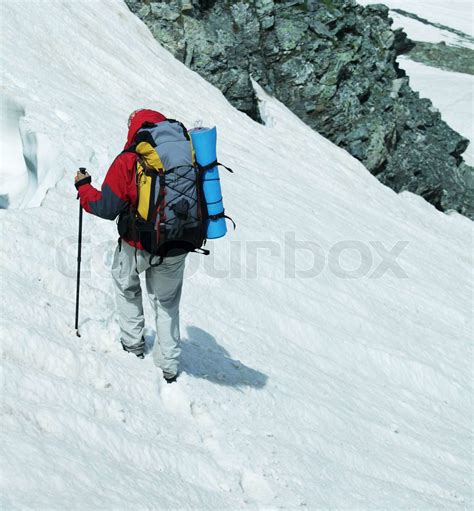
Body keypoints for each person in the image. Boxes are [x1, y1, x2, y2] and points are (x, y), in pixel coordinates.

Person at [74, 109, 186, 383]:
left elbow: (105, 207)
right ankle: (169, 367)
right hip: (178, 244)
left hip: (137, 244)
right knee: (167, 303)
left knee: (126, 287)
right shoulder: (187, 155)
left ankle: (133, 345)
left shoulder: (130, 160)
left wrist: (83, 187)